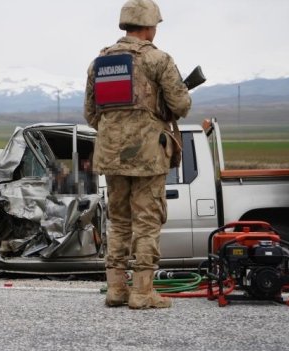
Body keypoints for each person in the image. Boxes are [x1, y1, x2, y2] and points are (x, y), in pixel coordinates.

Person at [84, 0, 191, 309]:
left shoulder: (99, 63)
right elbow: (181, 106)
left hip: (111, 154)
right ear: (148, 26)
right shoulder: (158, 60)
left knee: (118, 221)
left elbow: (92, 115)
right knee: (146, 222)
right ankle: (142, 292)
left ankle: (116, 289)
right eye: (155, 25)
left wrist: (119, 129)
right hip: (147, 156)